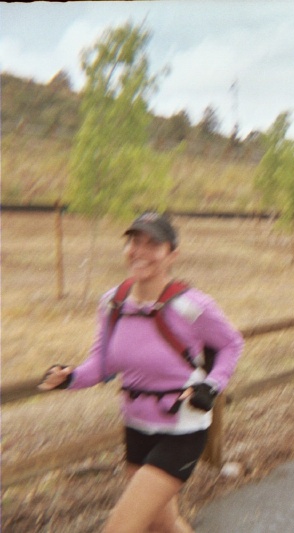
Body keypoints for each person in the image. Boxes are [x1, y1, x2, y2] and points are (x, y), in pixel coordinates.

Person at [38, 212, 244, 533]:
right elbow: (102, 366)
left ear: (172, 255)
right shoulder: (113, 303)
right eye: (135, 241)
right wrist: (69, 378)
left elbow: (232, 344)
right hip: (136, 427)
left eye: (153, 244)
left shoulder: (190, 305)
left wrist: (212, 385)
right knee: (163, 524)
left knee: (120, 527)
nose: (140, 251)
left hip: (181, 428)